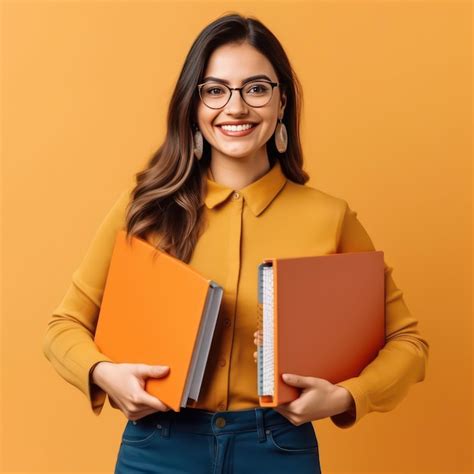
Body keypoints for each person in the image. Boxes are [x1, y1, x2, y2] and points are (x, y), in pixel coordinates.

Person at [42, 13, 429, 474]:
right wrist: (106, 375)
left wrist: (346, 397)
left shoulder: (330, 218)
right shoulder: (143, 207)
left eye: (256, 88)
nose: (236, 107)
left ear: (281, 100)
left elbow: (408, 342)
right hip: (158, 446)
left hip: (278, 449)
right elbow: (63, 327)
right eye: (215, 89)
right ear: (194, 104)